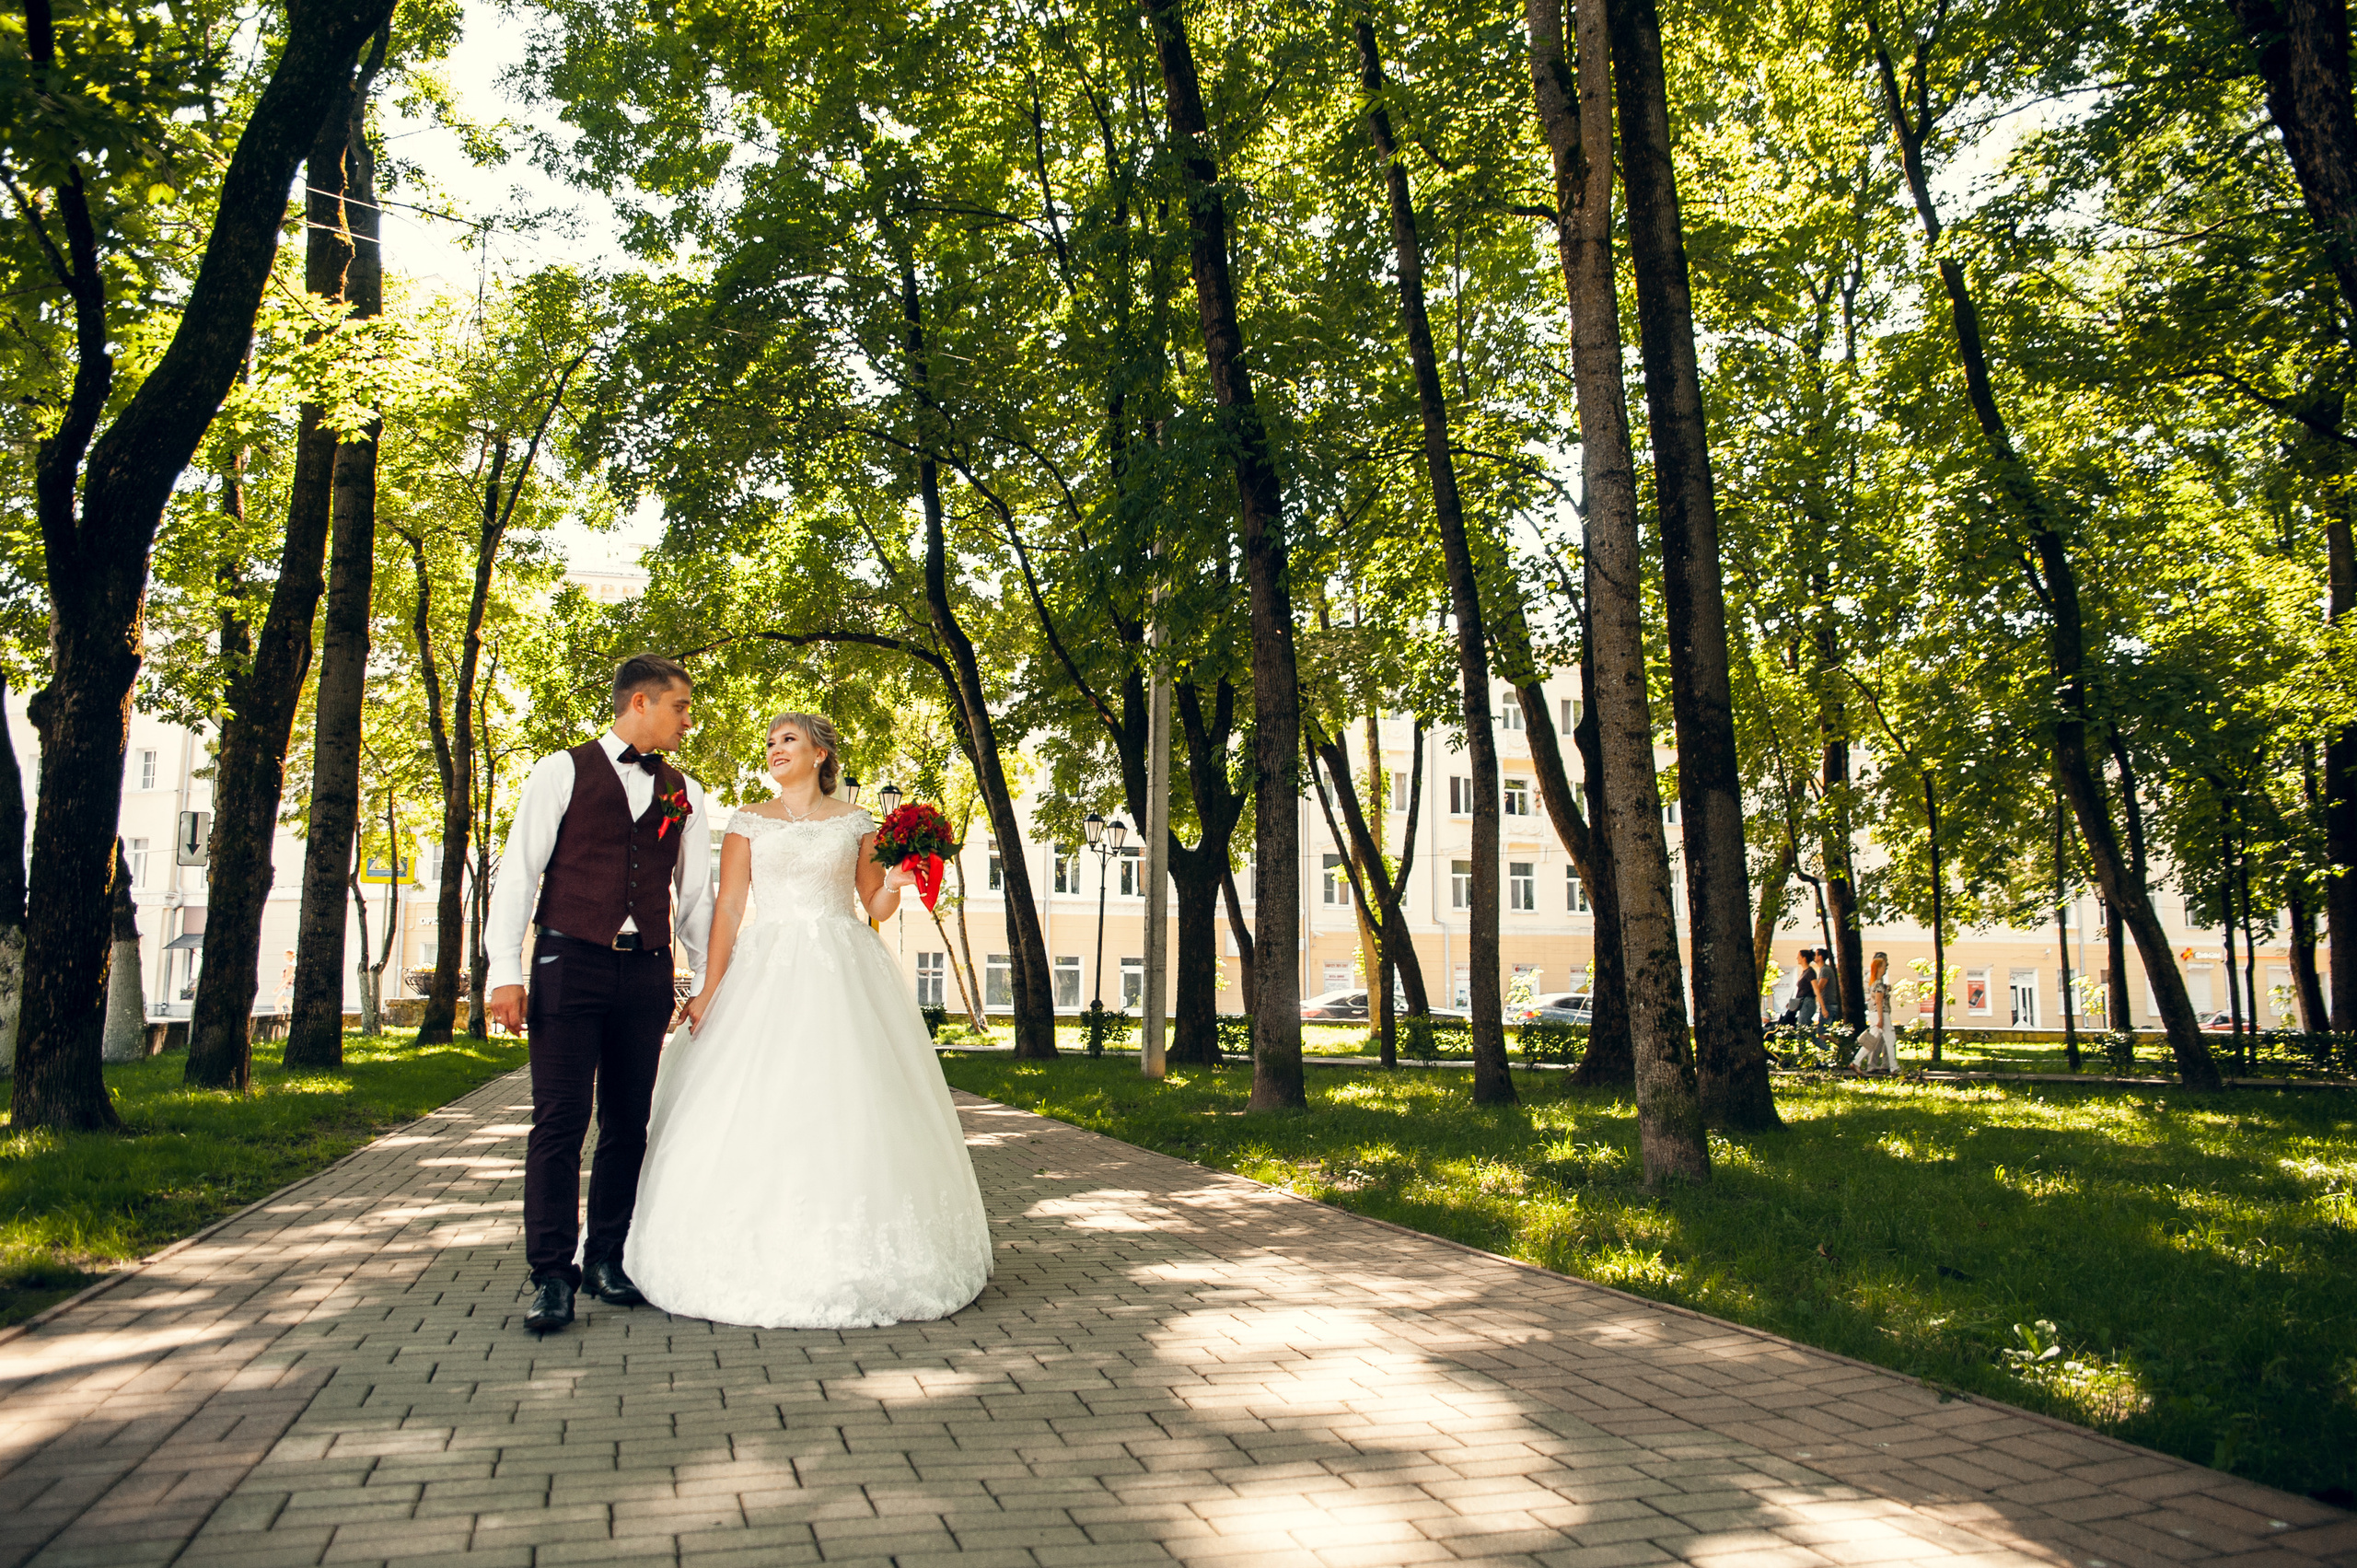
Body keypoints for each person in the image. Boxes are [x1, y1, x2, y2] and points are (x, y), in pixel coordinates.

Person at [624, 712, 993, 1330]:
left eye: (787, 740)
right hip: (764, 968)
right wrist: (709, 987)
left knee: (850, 1099)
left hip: (842, 966)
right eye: (769, 741)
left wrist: (901, 876)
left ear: (821, 753)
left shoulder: (855, 823)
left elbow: (872, 901)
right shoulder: (747, 821)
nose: (774, 749)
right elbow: (732, 906)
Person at [484, 655, 714, 1334]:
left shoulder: (687, 792)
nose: (687, 720)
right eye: (680, 707)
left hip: (644, 971)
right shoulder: (560, 771)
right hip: (567, 961)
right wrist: (505, 969)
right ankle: (552, 1275)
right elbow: (519, 874)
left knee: (626, 1122)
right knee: (559, 1122)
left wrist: (701, 981)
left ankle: (607, 1259)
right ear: (640, 702)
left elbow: (695, 898)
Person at [1851, 951, 1898, 1073]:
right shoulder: (1878, 984)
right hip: (1881, 1013)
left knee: (1872, 1039)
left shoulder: (1875, 982)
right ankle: (1894, 1067)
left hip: (1874, 1013)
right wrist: (1881, 1018)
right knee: (1890, 1038)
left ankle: (1856, 1062)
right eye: (1883, 965)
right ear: (1878, 968)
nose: (1885, 967)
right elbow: (1879, 1002)